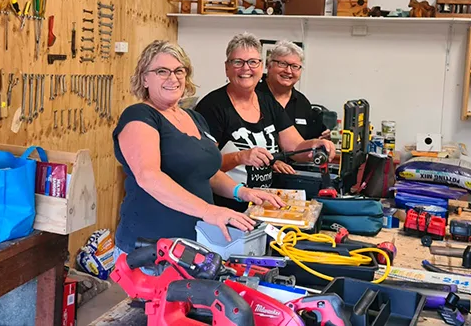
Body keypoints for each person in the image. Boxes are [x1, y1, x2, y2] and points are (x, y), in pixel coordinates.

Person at [112, 40, 285, 259]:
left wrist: (242, 192)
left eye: (178, 71)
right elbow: (149, 176)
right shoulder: (139, 116)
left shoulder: (194, 118)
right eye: (162, 71)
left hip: (194, 244)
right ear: (144, 78)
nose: (173, 78)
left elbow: (208, 173)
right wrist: (208, 211)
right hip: (150, 249)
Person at [195, 33, 336, 212]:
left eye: (253, 62)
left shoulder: (267, 102)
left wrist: (316, 145)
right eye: (238, 62)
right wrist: (240, 157)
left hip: (262, 206)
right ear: (227, 68)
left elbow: (295, 147)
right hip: (227, 208)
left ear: (261, 66)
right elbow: (204, 166)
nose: (246, 68)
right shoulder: (212, 106)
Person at [257, 40, 331, 175]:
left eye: (295, 66)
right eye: (282, 64)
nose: (288, 71)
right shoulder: (253, 95)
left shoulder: (302, 103)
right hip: (255, 172)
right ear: (269, 65)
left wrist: (324, 140)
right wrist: (271, 161)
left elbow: (305, 143)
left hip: (293, 174)